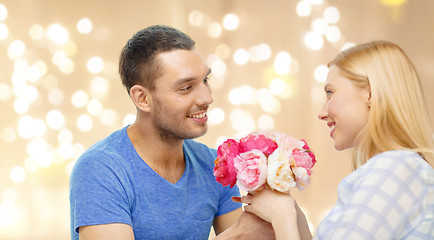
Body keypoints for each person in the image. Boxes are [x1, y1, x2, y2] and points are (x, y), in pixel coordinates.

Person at [239, 40, 434, 239]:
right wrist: (295, 218)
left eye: (330, 93)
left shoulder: (395, 168)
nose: (322, 113)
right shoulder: (398, 170)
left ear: (370, 93)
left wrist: (282, 216)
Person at [69, 25, 245, 239]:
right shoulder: (101, 170)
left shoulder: (213, 164)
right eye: (186, 88)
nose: (207, 98)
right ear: (142, 98)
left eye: (205, 80)